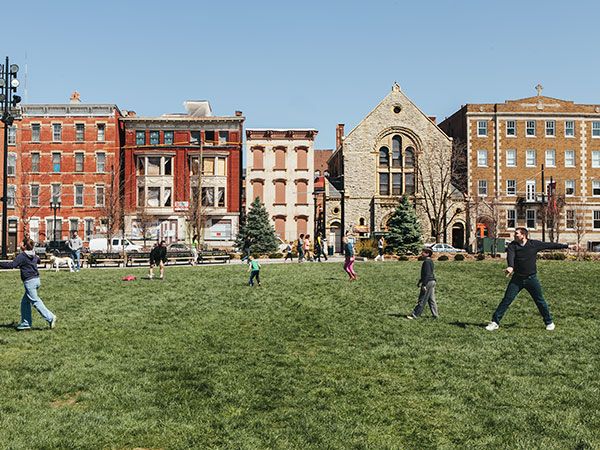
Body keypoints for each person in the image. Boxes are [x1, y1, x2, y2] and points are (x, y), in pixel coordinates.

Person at [485, 227, 575, 331]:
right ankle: (495, 322)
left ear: (523, 235)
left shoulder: (533, 244)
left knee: (540, 301)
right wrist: (510, 266)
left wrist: (567, 246)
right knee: (506, 300)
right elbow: (511, 256)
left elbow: (550, 245)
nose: (514, 235)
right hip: (517, 279)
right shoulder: (512, 245)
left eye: (516, 233)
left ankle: (549, 322)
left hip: (531, 279)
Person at [0, 239, 57, 331]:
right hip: (36, 280)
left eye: (21, 243)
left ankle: (50, 317)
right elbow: (38, 260)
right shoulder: (33, 254)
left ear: (24, 246)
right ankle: (26, 323)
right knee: (25, 302)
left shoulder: (22, 256)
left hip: (29, 282)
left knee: (35, 301)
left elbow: (12, 265)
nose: (20, 244)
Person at [406, 247, 438, 319]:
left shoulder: (426, 262)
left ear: (427, 254)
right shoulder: (430, 261)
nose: (421, 253)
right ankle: (435, 315)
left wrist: (424, 284)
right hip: (432, 281)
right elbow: (426, 273)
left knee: (422, 299)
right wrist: (420, 281)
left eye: (423, 252)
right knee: (431, 300)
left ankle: (415, 315)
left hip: (428, 282)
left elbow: (427, 274)